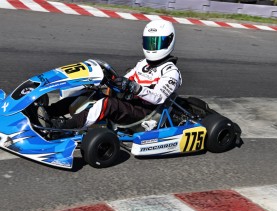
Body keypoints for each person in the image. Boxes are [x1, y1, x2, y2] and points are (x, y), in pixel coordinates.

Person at [38, 19, 182, 130]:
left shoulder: (171, 72)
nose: (152, 48)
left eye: (156, 43)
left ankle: (63, 127)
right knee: (89, 92)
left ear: (169, 41)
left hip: (145, 113)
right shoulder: (143, 63)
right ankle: (48, 113)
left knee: (108, 104)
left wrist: (134, 88)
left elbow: (158, 98)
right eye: (149, 43)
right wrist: (112, 80)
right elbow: (125, 80)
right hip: (129, 104)